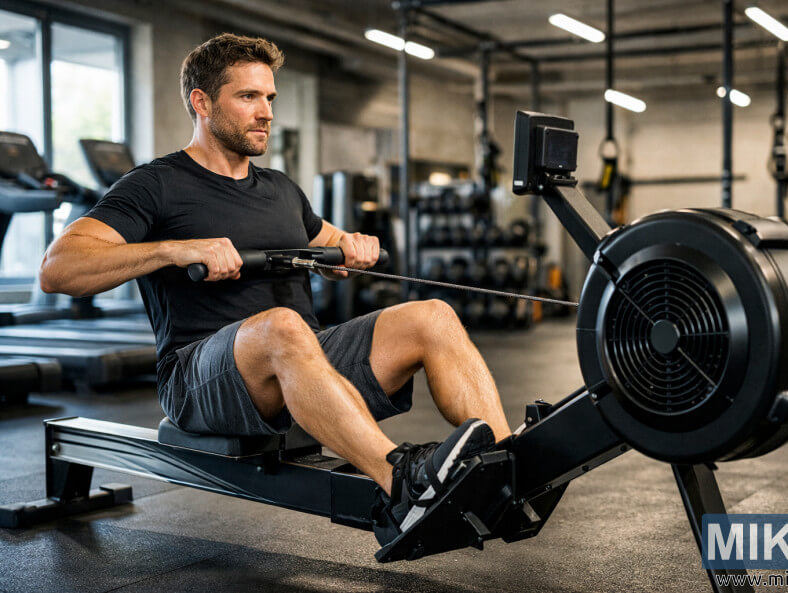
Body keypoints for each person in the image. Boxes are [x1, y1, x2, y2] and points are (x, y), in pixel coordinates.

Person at [38, 33, 512, 545]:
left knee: (433, 315)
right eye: (248, 97)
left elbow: (331, 243)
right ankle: (404, 485)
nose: (265, 112)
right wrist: (173, 249)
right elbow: (58, 269)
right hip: (198, 378)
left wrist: (351, 248)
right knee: (282, 327)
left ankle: (508, 471)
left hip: (300, 360)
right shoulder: (154, 185)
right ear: (202, 102)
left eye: (269, 98)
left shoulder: (282, 189)